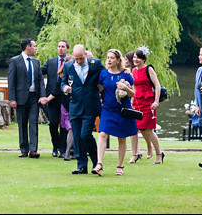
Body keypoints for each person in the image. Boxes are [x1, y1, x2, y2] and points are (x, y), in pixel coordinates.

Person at [61, 44, 104, 174]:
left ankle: (97, 162)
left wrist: (123, 70)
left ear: (85, 55)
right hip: (75, 105)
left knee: (85, 135)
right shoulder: (68, 66)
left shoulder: (95, 64)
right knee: (77, 136)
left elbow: (108, 74)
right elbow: (63, 82)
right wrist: (64, 88)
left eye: (81, 58)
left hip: (90, 105)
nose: (79, 61)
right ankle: (82, 165)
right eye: (76, 59)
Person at [93, 49, 138, 176]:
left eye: (112, 58)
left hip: (122, 109)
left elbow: (133, 94)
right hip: (107, 108)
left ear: (118, 60)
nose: (109, 60)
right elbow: (100, 88)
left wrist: (126, 88)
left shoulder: (126, 74)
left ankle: (120, 166)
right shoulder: (103, 74)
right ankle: (99, 164)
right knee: (102, 135)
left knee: (122, 138)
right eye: (108, 57)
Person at [8, 38, 48, 158]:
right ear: (28, 47)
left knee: (34, 122)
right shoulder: (15, 61)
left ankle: (33, 150)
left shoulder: (36, 62)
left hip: (34, 97)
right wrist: (12, 99)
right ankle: (24, 149)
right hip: (20, 97)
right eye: (34, 46)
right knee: (22, 123)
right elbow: (11, 81)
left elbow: (40, 80)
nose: (36, 48)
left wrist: (42, 95)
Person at [131, 46, 165, 164]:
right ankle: (143, 150)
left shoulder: (148, 69)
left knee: (149, 129)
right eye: (134, 57)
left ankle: (159, 153)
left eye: (138, 58)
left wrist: (156, 101)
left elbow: (157, 85)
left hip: (148, 102)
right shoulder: (133, 70)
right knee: (138, 128)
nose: (135, 60)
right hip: (137, 102)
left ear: (144, 59)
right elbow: (133, 86)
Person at [40, 39, 70, 157]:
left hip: (65, 98)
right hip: (52, 98)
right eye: (59, 46)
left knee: (64, 125)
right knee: (53, 123)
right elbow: (40, 72)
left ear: (67, 49)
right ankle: (55, 146)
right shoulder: (51, 62)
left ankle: (62, 148)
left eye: (63, 47)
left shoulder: (69, 62)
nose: (60, 49)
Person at [123, 51, 146, 163]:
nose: (125, 61)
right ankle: (137, 151)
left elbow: (133, 89)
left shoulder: (132, 73)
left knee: (134, 128)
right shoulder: (132, 71)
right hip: (134, 101)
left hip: (135, 102)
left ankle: (136, 152)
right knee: (133, 128)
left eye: (126, 59)